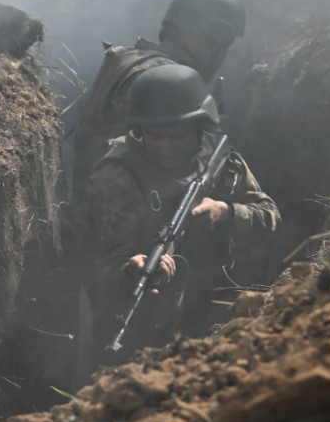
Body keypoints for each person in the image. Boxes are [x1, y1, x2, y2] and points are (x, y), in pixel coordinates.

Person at [86, 64, 279, 353]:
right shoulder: (118, 177)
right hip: (142, 326)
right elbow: (98, 268)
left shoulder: (216, 158)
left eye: (178, 137)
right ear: (139, 131)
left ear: (200, 128)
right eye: (154, 136)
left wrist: (225, 212)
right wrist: (130, 271)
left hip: (212, 312)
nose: (165, 147)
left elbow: (270, 215)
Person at [68, 0, 248, 200]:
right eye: (224, 45)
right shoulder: (161, 77)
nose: (222, 57)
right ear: (205, 39)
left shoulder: (138, 60)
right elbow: (166, 151)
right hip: (114, 211)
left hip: (98, 203)